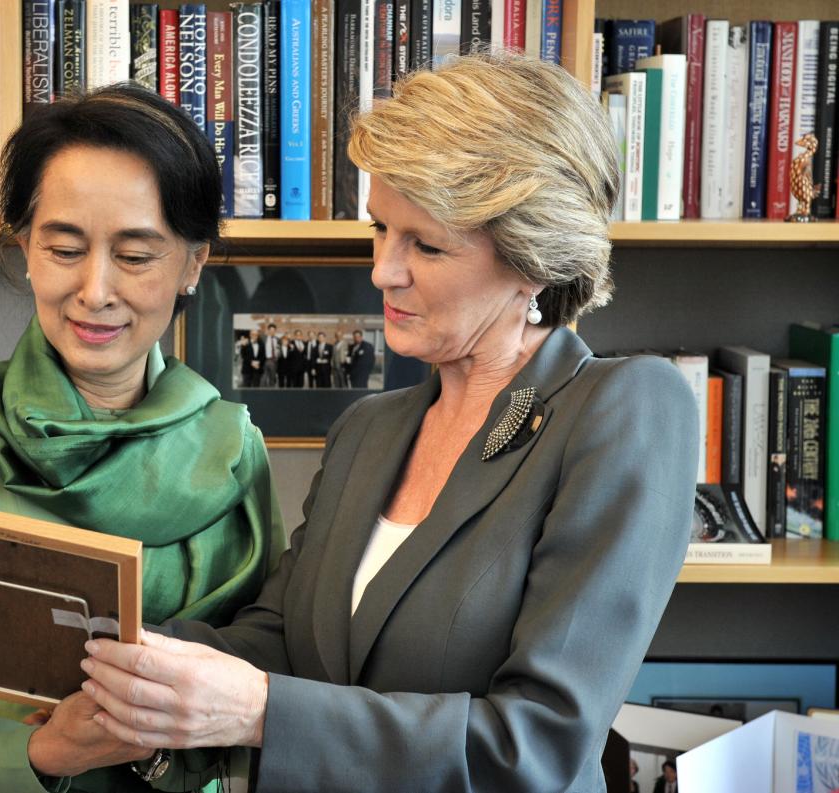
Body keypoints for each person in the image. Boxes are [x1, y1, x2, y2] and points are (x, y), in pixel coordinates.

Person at [72, 53, 700, 792]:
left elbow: (539, 744)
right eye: (381, 229)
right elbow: (278, 641)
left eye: (425, 245)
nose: (383, 271)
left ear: (532, 259)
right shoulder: (369, 428)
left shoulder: (623, 408)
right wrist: (68, 633)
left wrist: (266, 712)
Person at [0, 84, 284, 793]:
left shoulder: (234, 448)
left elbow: (265, 678)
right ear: (26, 247)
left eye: (137, 255)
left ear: (193, 264)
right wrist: (43, 752)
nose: (94, 289)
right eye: (64, 247)